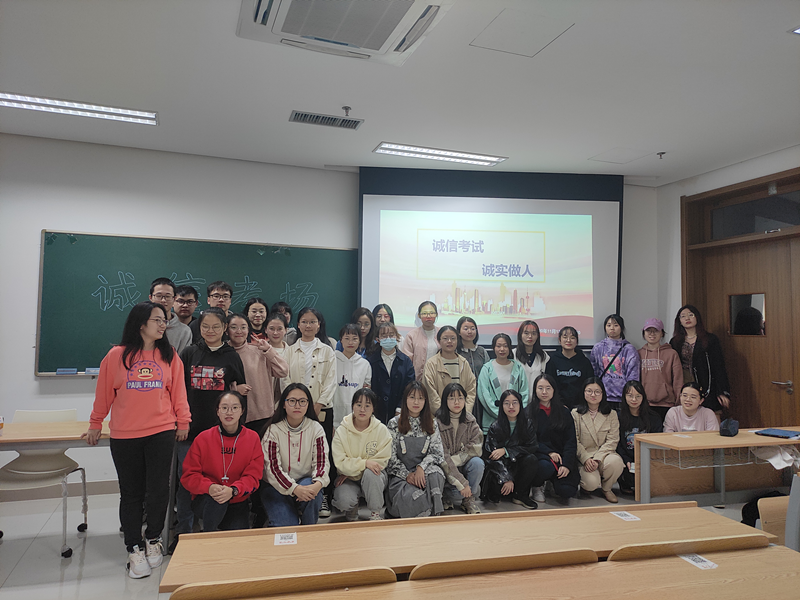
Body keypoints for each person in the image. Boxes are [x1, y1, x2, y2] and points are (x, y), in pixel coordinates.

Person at [83, 301, 190, 579]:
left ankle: (153, 539)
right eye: (157, 320)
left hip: (161, 432)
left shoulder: (169, 355)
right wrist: (95, 423)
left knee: (158, 490)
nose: (163, 324)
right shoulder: (116, 356)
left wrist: (183, 420)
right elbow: (104, 394)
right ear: (141, 324)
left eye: (164, 320)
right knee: (131, 493)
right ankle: (133, 546)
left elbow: (178, 392)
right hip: (125, 435)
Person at [177, 307, 246, 541]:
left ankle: (211, 529)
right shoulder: (189, 353)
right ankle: (184, 532)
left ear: (225, 328)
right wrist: (180, 422)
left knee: (217, 480)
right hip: (189, 431)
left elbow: (239, 395)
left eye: (216, 326)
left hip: (219, 434)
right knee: (186, 481)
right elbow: (177, 390)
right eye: (205, 326)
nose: (210, 331)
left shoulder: (231, 356)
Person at [180, 391, 264, 531]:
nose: (229, 412)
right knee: (217, 501)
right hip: (207, 498)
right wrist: (210, 487)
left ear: (242, 411)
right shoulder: (203, 438)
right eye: (224, 408)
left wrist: (233, 490)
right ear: (217, 411)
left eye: (235, 408)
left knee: (237, 540)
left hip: (237, 498)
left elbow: (253, 476)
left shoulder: (252, 438)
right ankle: (209, 536)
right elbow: (189, 476)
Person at [284, 307, 336, 516]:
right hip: (295, 410)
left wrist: (318, 404)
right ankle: (294, 495)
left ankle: (322, 497)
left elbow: (331, 381)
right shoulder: (289, 351)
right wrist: (295, 404)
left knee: (321, 453)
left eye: (312, 321)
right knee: (296, 452)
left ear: (318, 325)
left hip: (321, 410)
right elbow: (285, 379)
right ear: (298, 325)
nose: (308, 325)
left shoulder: (327, 350)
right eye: (304, 321)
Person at [262, 383, 330, 527]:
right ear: (284, 404)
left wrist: (317, 485)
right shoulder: (273, 431)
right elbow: (272, 469)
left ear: (308, 404)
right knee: (287, 527)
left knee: (313, 491)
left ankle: (308, 529)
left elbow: (322, 463)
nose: (297, 405)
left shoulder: (316, 428)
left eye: (302, 401)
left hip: (306, 483)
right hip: (276, 487)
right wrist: (294, 489)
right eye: (292, 401)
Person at [386, 381, 446, 518]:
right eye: (412, 397)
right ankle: (429, 512)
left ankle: (434, 514)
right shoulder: (394, 423)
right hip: (401, 477)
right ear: (405, 399)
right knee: (411, 498)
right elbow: (390, 458)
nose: (416, 402)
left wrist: (421, 468)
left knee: (436, 474)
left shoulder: (432, 423)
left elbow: (437, 453)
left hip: (424, 473)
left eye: (420, 398)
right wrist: (407, 475)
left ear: (425, 401)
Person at [331, 388, 392, 521]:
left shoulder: (381, 430)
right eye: (358, 405)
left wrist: (353, 469)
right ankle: (352, 507)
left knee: (372, 473)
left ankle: (375, 513)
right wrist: (365, 463)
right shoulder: (342, 431)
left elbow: (381, 462)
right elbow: (340, 463)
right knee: (343, 500)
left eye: (367, 406)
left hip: (371, 477)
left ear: (373, 408)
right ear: (352, 406)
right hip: (348, 479)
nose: (362, 409)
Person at [226, 313, 288, 434]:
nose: (239, 331)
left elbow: (283, 371)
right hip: (230, 414)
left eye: (243, 327)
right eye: (233, 327)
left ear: (248, 330)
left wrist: (269, 350)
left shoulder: (259, 351)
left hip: (261, 415)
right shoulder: (222, 353)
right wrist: (234, 389)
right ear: (226, 330)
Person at [527, 374, 579, 504]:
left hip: (561, 457)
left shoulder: (564, 412)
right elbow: (529, 440)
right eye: (540, 388)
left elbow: (570, 441)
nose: (544, 392)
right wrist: (549, 452)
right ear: (535, 390)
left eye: (548, 388)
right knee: (545, 467)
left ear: (554, 390)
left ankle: (552, 483)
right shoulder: (528, 412)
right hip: (540, 454)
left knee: (567, 491)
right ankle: (537, 485)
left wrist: (567, 464)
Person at [482, 389, 539, 509]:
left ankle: (520, 495)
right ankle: (501, 492)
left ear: (520, 404)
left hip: (518, 467)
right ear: (502, 406)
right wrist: (506, 478)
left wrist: (507, 451)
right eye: (507, 403)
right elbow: (491, 456)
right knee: (495, 487)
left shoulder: (528, 424)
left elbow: (532, 446)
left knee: (531, 459)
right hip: (501, 470)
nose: (511, 406)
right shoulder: (495, 427)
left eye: (515, 403)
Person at [669, 305, 731, 413]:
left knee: (710, 415)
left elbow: (719, 367)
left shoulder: (710, 339)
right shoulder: (675, 341)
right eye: (683, 316)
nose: (687, 318)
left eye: (691, 315)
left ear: (697, 317)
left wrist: (722, 391)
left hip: (706, 384)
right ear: (679, 321)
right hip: (684, 382)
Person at [572, 378, 624, 503]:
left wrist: (597, 459)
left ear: (603, 394)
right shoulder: (575, 414)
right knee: (591, 483)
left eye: (597, 391)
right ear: (583, 392)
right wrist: (586, 459)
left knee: (616, 462)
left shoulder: (611, 414)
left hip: (604, 455)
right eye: (589, 391)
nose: (593, 395)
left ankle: (607, 489)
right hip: (584, 457)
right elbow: (574, 440)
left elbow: (612, 440)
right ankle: (587, 487)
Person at [435, 383, 484, 514]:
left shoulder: (471, 421)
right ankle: (445, 496)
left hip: (462, 468)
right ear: (445, 401)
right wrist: (462, 482)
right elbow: (442, 456)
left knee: (478, 463)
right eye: (452, 398)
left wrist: (455, 459)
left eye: (460, 398)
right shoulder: (437, 423)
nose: (457, 402)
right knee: (439, 467)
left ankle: (468, 499)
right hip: (446, 473)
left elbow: (476, 447)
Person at [616, 381, 662, 494]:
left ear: (643, 397)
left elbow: (657, 443)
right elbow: (617, 443)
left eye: (638, 396)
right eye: (630, 396)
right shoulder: (618, 417)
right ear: (624, 397)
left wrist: (645, 459)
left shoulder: (654, 418)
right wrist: (626, 460)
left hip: (646, 457)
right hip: (627, 458)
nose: (634, 399)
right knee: (628, 476)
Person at [477, 333, 528, 433]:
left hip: (516, 421)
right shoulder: (487, 369)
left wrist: (516, 413)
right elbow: (484, 395)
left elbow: (524, 392)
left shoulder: (518, 368)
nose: (502, 349)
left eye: (505, 346)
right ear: (493, 348)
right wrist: (500, 414)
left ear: (510, 348)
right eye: (498, 346)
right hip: (492, 421)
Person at [367, 322, 416, 424]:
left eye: (391, 335)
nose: (388, 338)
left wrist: (400, 408)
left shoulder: (406, 361)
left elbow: (410, 387)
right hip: (375, 412)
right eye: (384, 336)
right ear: (378, 339)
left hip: (400, 412)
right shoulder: (371, 361)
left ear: (397, 337)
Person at [422, 326, 477, 414]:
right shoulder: (431, 364)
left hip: (462, 416)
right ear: (439, 341)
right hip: (439, 417)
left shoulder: (463, 363)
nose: (449, 341)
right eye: (445, 338)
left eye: (453, 338)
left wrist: (465, 412)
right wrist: (442, 414)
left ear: (458, 340)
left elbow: (471, 389)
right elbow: (430, 393)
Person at [589, 314, 640, 406]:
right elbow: (594, 372)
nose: (612, 328)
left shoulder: (629, 349)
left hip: (623, 398)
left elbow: (633, 376)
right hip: (602, 396)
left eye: (616, 325)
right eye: (609, 325)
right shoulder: (598, 348)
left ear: (621, 328)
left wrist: (630, 395)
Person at [639, 318, 683, 420]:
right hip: (644, 404)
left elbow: (678, 380)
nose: (652, 334)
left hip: (666, 404)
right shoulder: (638, 354)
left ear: (662, 333)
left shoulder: (671, 354)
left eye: (656, 331)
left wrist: (679, 403)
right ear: (644, 333)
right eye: (648, 331)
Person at [545, 326, 593, 409]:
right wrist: (559, 404)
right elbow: (549, 385)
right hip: (558, 406)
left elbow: (589, 384)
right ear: (559, 340)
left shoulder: (584, 361)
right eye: (565, 337)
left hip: (581, 406)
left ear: (577, 341)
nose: (568, 340)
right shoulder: (553, 361)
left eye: (572, 338)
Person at [333, 323, 372, 429]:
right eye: (347, 338)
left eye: (354, 339)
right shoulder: (332, 360)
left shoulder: (364, 364)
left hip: (357, 416)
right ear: (341, 340)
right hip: (334, 413)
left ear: (359, 341)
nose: (350, 342)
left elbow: (366, 390)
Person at [149, 277, 191, 353]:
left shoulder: (184, 331)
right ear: (151, 298)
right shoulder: (143, 327)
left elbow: (183, 358)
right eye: (159, 296)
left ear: (174, 299)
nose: (163, 300)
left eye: (168, 296)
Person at [402, 301, 440, 380]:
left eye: (432, 313)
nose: (428, 316)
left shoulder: (442, 333)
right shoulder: (411, 335)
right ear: (419, 315)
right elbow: (406, 361)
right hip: (418, 380)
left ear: (436, 314)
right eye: (424, 313)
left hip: (439, 379)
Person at [514, 320, 549, 402]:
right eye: (526, 333)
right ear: (520, 335)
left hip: (538, 401)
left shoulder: (543, 356)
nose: (530, 336)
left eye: (534, 333)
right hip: (518, 402)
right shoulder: (512, 355)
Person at [265, 312, 292, 395]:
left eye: (280, 329)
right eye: (271, 329)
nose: (275, 333)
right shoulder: (259, 352)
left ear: (286, 330)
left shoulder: (293, 352)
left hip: (288, 398)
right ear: (265, 330)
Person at [456, 316, 489, 382]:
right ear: (459, 332)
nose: (470, 332)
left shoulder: (481, 351)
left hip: (480, 387)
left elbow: (488, 372)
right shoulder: (455, 351)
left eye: (472, 329)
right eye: (466, 329)